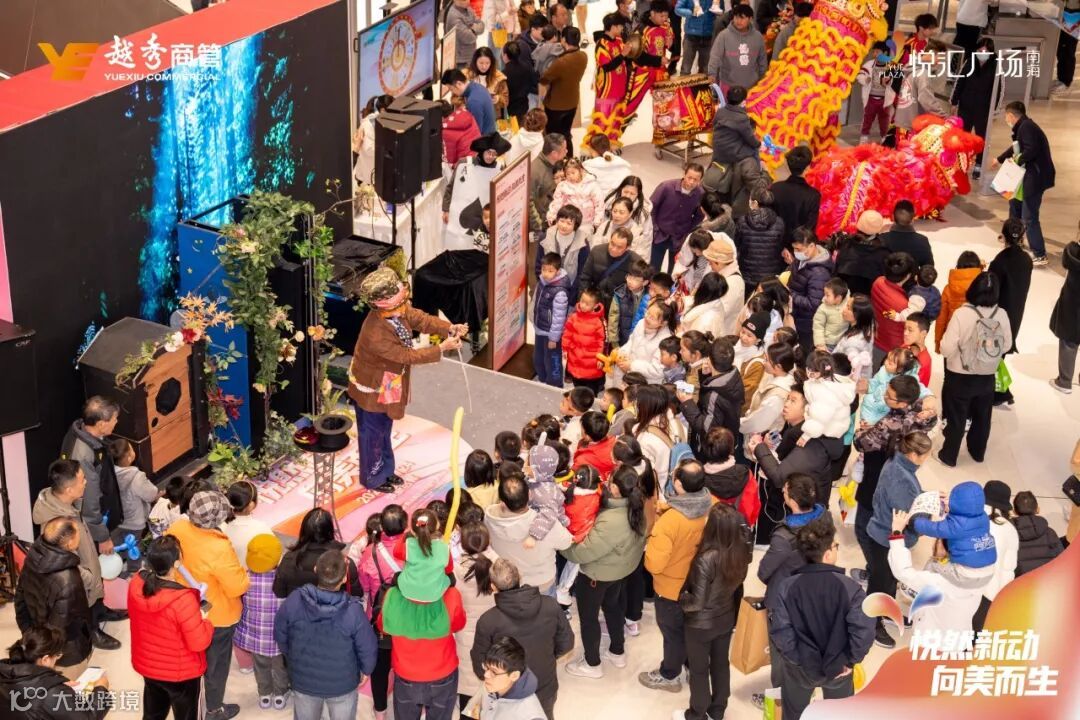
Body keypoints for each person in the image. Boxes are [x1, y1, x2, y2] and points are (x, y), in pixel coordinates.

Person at [348, 268, 463, 492]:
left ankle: (385, 470)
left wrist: (449, 328)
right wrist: (440, 348)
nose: (405, 307)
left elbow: (420, 318)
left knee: (385, 428)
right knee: (372, 435)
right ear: (384, 306)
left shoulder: (396, 312)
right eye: (400, 304)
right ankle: (372, 478)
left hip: (390, 380)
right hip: (372, 388)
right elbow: (407, 356)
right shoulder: (375, 334)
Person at [768, 515, 875, 720]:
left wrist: (796, 660)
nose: (837, 549)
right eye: (835, 546)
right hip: (839, 668)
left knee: (793, 713)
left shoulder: (787, 587)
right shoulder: (851, 588)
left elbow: (781, 631)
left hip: (800, 669)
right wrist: (850, 660)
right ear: (827, 555)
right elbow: (864, 631)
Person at [167, 490, 249, 720]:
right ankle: (213, 709)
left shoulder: (177, 528)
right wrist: (244, 574)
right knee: (216, 665)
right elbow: (236, 587)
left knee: (191, 660)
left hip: (184, 607)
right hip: (216, 616)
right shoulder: (218, 547)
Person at [377, 510, 466, 720]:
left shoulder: (393, 596)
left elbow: (382, 626)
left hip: (406, 675)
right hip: (443, 673)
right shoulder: (451, 596)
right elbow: (458, 624)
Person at [562, 464, 648, 678]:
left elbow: (583, 553)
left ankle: (592, 663)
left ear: (616, 488)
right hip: (620, 572)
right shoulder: (637, 508)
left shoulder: (611, 520)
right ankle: (617, 651)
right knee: (613, 608)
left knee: (589, 618)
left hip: (596, 576)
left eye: (610, 481)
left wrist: (561, 544)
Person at [639, 460, 713, 694]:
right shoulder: (710, 505)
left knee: (673, 635)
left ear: (679, 484)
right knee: (692, 631)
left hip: (671, 590)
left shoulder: (670, 522)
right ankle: (693, 667)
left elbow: (654, 564)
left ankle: (669, 675)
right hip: (699, 584)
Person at [275, 550, 378, 720]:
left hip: (303, 680)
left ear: (316, 569)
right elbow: (368, 647)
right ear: (344, 578)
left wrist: (292, 656)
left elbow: (280, 634)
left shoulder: (294, 600)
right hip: (342, 684)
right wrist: (366, 670)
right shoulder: (353, 611)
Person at [672, 503, 750, 720]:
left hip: (700, 625)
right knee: (720, 665)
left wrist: (681, 598)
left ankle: (697, 713)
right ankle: (718, 710)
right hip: (725, 618)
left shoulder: (706, 558)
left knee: (699, 670)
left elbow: (696, 603)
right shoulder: (741, 551)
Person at [472, 559, 574, 719]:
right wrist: (547, 656)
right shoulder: (550, 605)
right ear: (519, 577)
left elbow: (480, 665)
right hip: (544, 686)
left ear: (493, 587)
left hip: (507, 693)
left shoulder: (488, 621)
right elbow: (567, 643)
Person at [30, 459, 115, 651]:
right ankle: (92, 630)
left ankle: (100, 610)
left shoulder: (64, 502)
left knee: (93, 597)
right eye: (82, 479)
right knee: (84, 603)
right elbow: (68, 564)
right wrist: (90, 578)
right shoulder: (56, 525)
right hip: (82, 581)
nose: (85, 482)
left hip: (88, 565)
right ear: (69, 489)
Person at [753, 473, 823, 705]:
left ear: (792, 500)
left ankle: (781, 700)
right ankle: (804, 691)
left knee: (781, 652)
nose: (782, 492)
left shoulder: (784, 537)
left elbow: (764, 571)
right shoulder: (824, 519)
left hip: (784, 600)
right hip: (814, 594)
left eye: (784, 490)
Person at [127, 536, 215, 720]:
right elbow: (199, 643)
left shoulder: (136, 583)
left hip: (149, 666)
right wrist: (206, 621)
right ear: (176, 563)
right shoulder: (183, 599)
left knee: (153, 713)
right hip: (181, 674)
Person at [863, 431, 932, 647]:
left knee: (891, 578)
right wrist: (930, 518)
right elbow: (910, 517)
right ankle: (871, 624)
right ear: (914, 455)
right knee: (880, 584)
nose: (927, 458)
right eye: (926, 454)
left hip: (885, 535)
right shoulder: (901, 479)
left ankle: (887, 610)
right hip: (886, 539)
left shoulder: (898, 463)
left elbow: (913, 496)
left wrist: (927, 498)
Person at [937, 272, 1011, 467]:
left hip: (959, 375)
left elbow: (946, 348)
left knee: (957, 417)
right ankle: (977, 452)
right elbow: (1006, 345)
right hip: (987, 375)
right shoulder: (1001, 314)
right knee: (982, 417)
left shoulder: (962, 314)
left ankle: (949, 456)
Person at [14, 518, 93, 681]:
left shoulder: (32, 557)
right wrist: (50, 654)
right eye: (78, 532)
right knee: (69, 690)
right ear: (70, 543)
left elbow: (20, 600)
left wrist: (29, 636)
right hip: (65, 653)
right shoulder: (69, 580)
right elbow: (61, 627)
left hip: (39, 639)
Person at [749, 383, 845, 510]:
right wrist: (768, 446)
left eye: (793, 401)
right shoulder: (797, 428)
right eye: (787, 399)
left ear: (808, 409)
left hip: (805, 509)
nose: (786, 404)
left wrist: (759, 447)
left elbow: (779, 476)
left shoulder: (809, 441)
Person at [991, 101, 1056, 266]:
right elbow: (1016, 147)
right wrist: (1000, 159)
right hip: (1025, 176)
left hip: (1035, 178)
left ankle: (1040, 254)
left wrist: (1016, 160)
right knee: (1015, 205)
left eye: (1006, 116)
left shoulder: (1026, 127)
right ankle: (1014, 239)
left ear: (1011, 115)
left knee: (1029, 216)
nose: (1006, 119)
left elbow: (1030, 150)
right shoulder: (1023, 127)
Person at [485, 473, 573, 594]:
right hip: (542, 583)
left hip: (510, 584)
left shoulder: (489, 519)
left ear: (502, 502)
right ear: (530, 494)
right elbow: (566, 542)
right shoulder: (545, 523)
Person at [0, 625, 111, 720]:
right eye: (57, 655)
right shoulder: (53, 694)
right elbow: (88, 717)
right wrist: (101, 689)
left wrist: (52, 682)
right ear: (45, 659)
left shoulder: (4, 672)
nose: (57, 659)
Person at [60, 396, 123, 555]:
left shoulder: (83, 433)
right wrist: (102, 537)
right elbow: (89, 501)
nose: (117, 422)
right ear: (101, 424)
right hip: (94, 524)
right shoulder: (83, 455)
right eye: (114, 419)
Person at [235, 534, 289, 710]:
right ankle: (280, 694)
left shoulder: (245, 578)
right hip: (279, 636)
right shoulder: (283, 579)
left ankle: (264, 695)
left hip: (256, 635)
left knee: (260, 666)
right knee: (280, 667)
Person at [612, 0, 674, 144]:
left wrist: (671, 45)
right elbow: (637, 56)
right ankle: (613, 138)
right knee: (630, 104)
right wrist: (657, 60)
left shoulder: (666, 25)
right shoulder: (641, 29)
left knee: (665, 104)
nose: (664, 19)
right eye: (661, 16)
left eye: (666, 16)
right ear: (652, 13)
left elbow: (671, 46)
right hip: (642, 72)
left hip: (661, 72)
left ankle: (663, 136)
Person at [987, 218, 1033, 407]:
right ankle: (1001, 391)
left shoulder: (999, 261)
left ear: (1003, 235)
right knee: (1000, 353)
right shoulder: (1026, 260)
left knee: (992, 355)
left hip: (998, 314)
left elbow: (991, 290)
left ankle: (999, 392)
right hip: (1015, 312)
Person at [453, 524, 498, 711]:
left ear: (462, 544)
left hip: (465, 634)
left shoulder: (456, 570)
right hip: (494, 632)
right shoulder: (498, 565)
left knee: (468, 682)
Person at [275, 507, 363, 599]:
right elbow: (356, 595)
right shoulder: (345, 563)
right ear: (330, 531)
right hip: (333, 608)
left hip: (297, 607)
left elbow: (279, 593)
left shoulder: (289, 559)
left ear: (304, 531)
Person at [710, 86, 766, 215]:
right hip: (731, 153)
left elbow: (715, 126)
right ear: (743, 101)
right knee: (754, 152)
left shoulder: (720, 111)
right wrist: (759, 145)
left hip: (718, 148)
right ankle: (758, 173)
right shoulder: (742, 118)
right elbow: (749, 137)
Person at [950, 38, 1000, 177]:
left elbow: (998, 89)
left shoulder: (996, 66)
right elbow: (960, 82)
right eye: (980, 50)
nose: (982, 54)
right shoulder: (969, 62)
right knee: (963, 136)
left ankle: (979, 164)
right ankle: (961, 162)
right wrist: (954, 101)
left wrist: (994, 110)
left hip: (983, 109)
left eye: (986, 51)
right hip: (965, 106)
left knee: (980, 138)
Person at [973, 480, 1019, 632]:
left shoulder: (971, 517)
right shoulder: (1010, 529)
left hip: (964, 584)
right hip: (989, 592)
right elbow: (1008, 569)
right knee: (974, 633)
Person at [583, 13, 630, 146]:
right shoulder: (601, 44)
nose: (622, 28)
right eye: (620, 26)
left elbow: (624, 59)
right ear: (613, 27)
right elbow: (607, 66)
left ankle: (611, 142)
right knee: (603, 118)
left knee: (616, 117)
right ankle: (595, 145)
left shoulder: (619, 40)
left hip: (619, 85)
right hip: (607, 88)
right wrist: (623, 55)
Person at [473, 636, 547, 720]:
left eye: (494, 672)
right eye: (486, 667)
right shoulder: (491, 686)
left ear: (514, 676)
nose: (486, 675)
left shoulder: (531, 716)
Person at [649, 163, 705, 272]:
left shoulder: (701, 194)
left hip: (679, 239)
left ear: (700, 180)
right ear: (684, 174)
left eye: (696, 180)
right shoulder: (666, 187)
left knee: (674, 270)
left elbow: (699, 216)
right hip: (659, 235)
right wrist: (655, 228)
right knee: (653, 269)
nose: (691, 182)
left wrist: (687, 231)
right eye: (689, 177)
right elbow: (652, 208)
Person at [786, 227, 834, 352]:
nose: (795, 252)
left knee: (801, 351)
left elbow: (813, 303)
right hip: (795, 314)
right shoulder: (803, 258)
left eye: (798, 249)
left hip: (806, 322)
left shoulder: (819, 274)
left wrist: (790, 294)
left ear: (812, 246)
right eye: (794, 248)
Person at [540, 27, 588, 144]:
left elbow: (544, 79)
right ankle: (568, 153)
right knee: (566, 134)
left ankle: (557, 155)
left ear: (564, 39)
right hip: (572, 102)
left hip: (556, 105)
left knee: (553, 138)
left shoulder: (561, 62)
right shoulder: (583, 56)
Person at [533, 251, 572, 387]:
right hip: (540, 328)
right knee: (539, 358)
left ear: (558, 271)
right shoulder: (543, 282)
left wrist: (554, 338)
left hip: (551, 334)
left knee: (552, 360)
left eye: (550, 271)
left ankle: (554, 385)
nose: (546, 273)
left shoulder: (560, 292)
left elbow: (559, 317)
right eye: (544, 269)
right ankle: (542, 379)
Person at [870, 251, 916, 366]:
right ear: (908, 276)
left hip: (875, 339)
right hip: (893, 350)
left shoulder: (878, 282)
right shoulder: (904, 306)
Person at [735, 187, 785, 290]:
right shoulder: (779, 222)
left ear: (755, 203)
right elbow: (780, 247)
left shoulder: (742, 221)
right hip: (770, 276)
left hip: (747, 273)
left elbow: (737, 245)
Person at [108, 437, 158, 541]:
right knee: (135, 545)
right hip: (136, 522)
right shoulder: (136, 477)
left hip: (120, 520)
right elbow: (151, 495)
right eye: (131, 449)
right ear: (129, 457)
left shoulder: (109, 473)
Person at [768, 146, 819, 246]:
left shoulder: (775, 188)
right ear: (807, 167)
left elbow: (769, 220)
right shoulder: (813, 195)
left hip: (774, 245)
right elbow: (809, 229)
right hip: (798, 248)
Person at [708, 4, 766, 91]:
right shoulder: (724, 35)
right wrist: (711, 74)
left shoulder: (758, 37)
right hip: (728, 86)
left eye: (742, 18)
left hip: (753, 87)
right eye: (736, 17)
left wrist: (763, 79)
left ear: (750, 19)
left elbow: (762, 60)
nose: (738, 21)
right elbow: (715, 57)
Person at [563, 287, 609, 394]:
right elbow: (567, 334)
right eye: (582, 301)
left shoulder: (599, 321)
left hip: (591, 363)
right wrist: (565, 348)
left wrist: (601, 358)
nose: (583, 305)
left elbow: (603, 342)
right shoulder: (573, 317)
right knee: (577, 386)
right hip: (575, 358)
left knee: (590, 391)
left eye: (587, 304)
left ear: (595, 306)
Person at [1051, 228, 1080, 393]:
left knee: (1069, 340)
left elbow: (1065, 263)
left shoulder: (1071, 250)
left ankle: (1064, 381)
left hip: (1072, 301)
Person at [222, 480, 273, 571]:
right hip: (251, 573)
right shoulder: (261, 529)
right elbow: (273, 556)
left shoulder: (220, 526)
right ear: (252, 505)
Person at [703, 234, 746, 335]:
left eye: (711, 263)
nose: (709, 265)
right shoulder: (726, 275)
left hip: (724, 332)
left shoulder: (733, 283)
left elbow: (718, 310)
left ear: (718, 262)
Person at [1013, 491, 1064, 574]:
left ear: (1014, 511)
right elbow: (1062, 559)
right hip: (1048, 577)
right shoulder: (1050, 533)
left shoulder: (1010, 534)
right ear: (1037, 509)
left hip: (1021, 580)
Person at [606, 257, 653, 346]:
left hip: (640, 342)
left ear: (645, 282)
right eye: (629, 277)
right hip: (622, 340)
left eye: (636, 279)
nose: (630, 281)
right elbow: (613, 319)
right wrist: (614, 343)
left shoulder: (650, 297)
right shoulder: (620, 294)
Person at [856, 41, 896, 145]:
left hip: (885, 100)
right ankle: (864, 137)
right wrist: (865, 79)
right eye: (874, 52)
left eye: (877, 52)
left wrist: (890, 80)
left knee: (884, 120)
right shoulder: (868, 65)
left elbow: (897, 80)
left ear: (885, 53)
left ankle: (884, 137)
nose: (874, 54)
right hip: (871, 98)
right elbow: (859, 76)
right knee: (867, 118)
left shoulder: (891, 66)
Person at [548, 158, 605, 230]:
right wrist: (552, 216)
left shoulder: (592, 184)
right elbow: (557, 202)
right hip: (568, 222)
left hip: (587, 222)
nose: (570, 176)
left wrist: (597, 221)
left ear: (581, 171)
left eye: (573, 173)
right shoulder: (563, 186)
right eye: (568, 174)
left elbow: (599, 204)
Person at [530, 133, 569, 235]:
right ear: (554, 154)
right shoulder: (535, 172)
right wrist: (539, 227)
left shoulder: (555, 164)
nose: (567, 151)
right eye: (564, 150)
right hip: (544, 226)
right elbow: (529, 203)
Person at [879, 200, 933, 268]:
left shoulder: (881, 239)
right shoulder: (922, 241)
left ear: (892, 217)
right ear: (913, 219)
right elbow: (929, 269)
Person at [443, 68, 496, 135]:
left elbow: (476, 133)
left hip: (485, 138)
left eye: (451, 89)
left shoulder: (473, 101)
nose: (452, 92)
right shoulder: (477, 87)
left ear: (458, 84)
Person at [466, 47, 510, 117]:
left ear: (491, 63)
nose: (484, 66)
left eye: (487, 63)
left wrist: (498, 99)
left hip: (492, 117)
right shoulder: (466, 76)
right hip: (471, 116)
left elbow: (505, 99)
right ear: (475, 61)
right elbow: (457, 98)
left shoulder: (498, 77)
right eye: (481, 63)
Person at [675, 0, 716, 74]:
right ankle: (684, 81)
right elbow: (677, 9)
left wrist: (716, 9)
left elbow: (721, 9)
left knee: (705, 70)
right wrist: (691, 12)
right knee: (686, 69)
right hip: (690, 35)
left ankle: (703, 81)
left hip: (708, 35)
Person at [504, 47, 538, 130]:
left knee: (513, 130)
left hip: (510, 108)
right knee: (522, 126)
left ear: (505, 55)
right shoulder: (527, 66)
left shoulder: (504, 72)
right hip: (524, 103)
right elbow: (534, 81)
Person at [446, 0, 486, 68]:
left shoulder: (468, 9)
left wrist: (472, 28)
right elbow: (469, 38)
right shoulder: (453, 15)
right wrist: (475, 30)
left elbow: (482, 26)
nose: (467, 1)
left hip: (471, 56)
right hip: (460, 61)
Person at [813, 277, 849, 351]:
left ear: (838, 298)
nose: (824, 297)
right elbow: (818, 327)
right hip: (827, 343)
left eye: (827, 295)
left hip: (842, 342)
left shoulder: (848, 304)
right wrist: (820, 345)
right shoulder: (823, 308)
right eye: (824, 294)